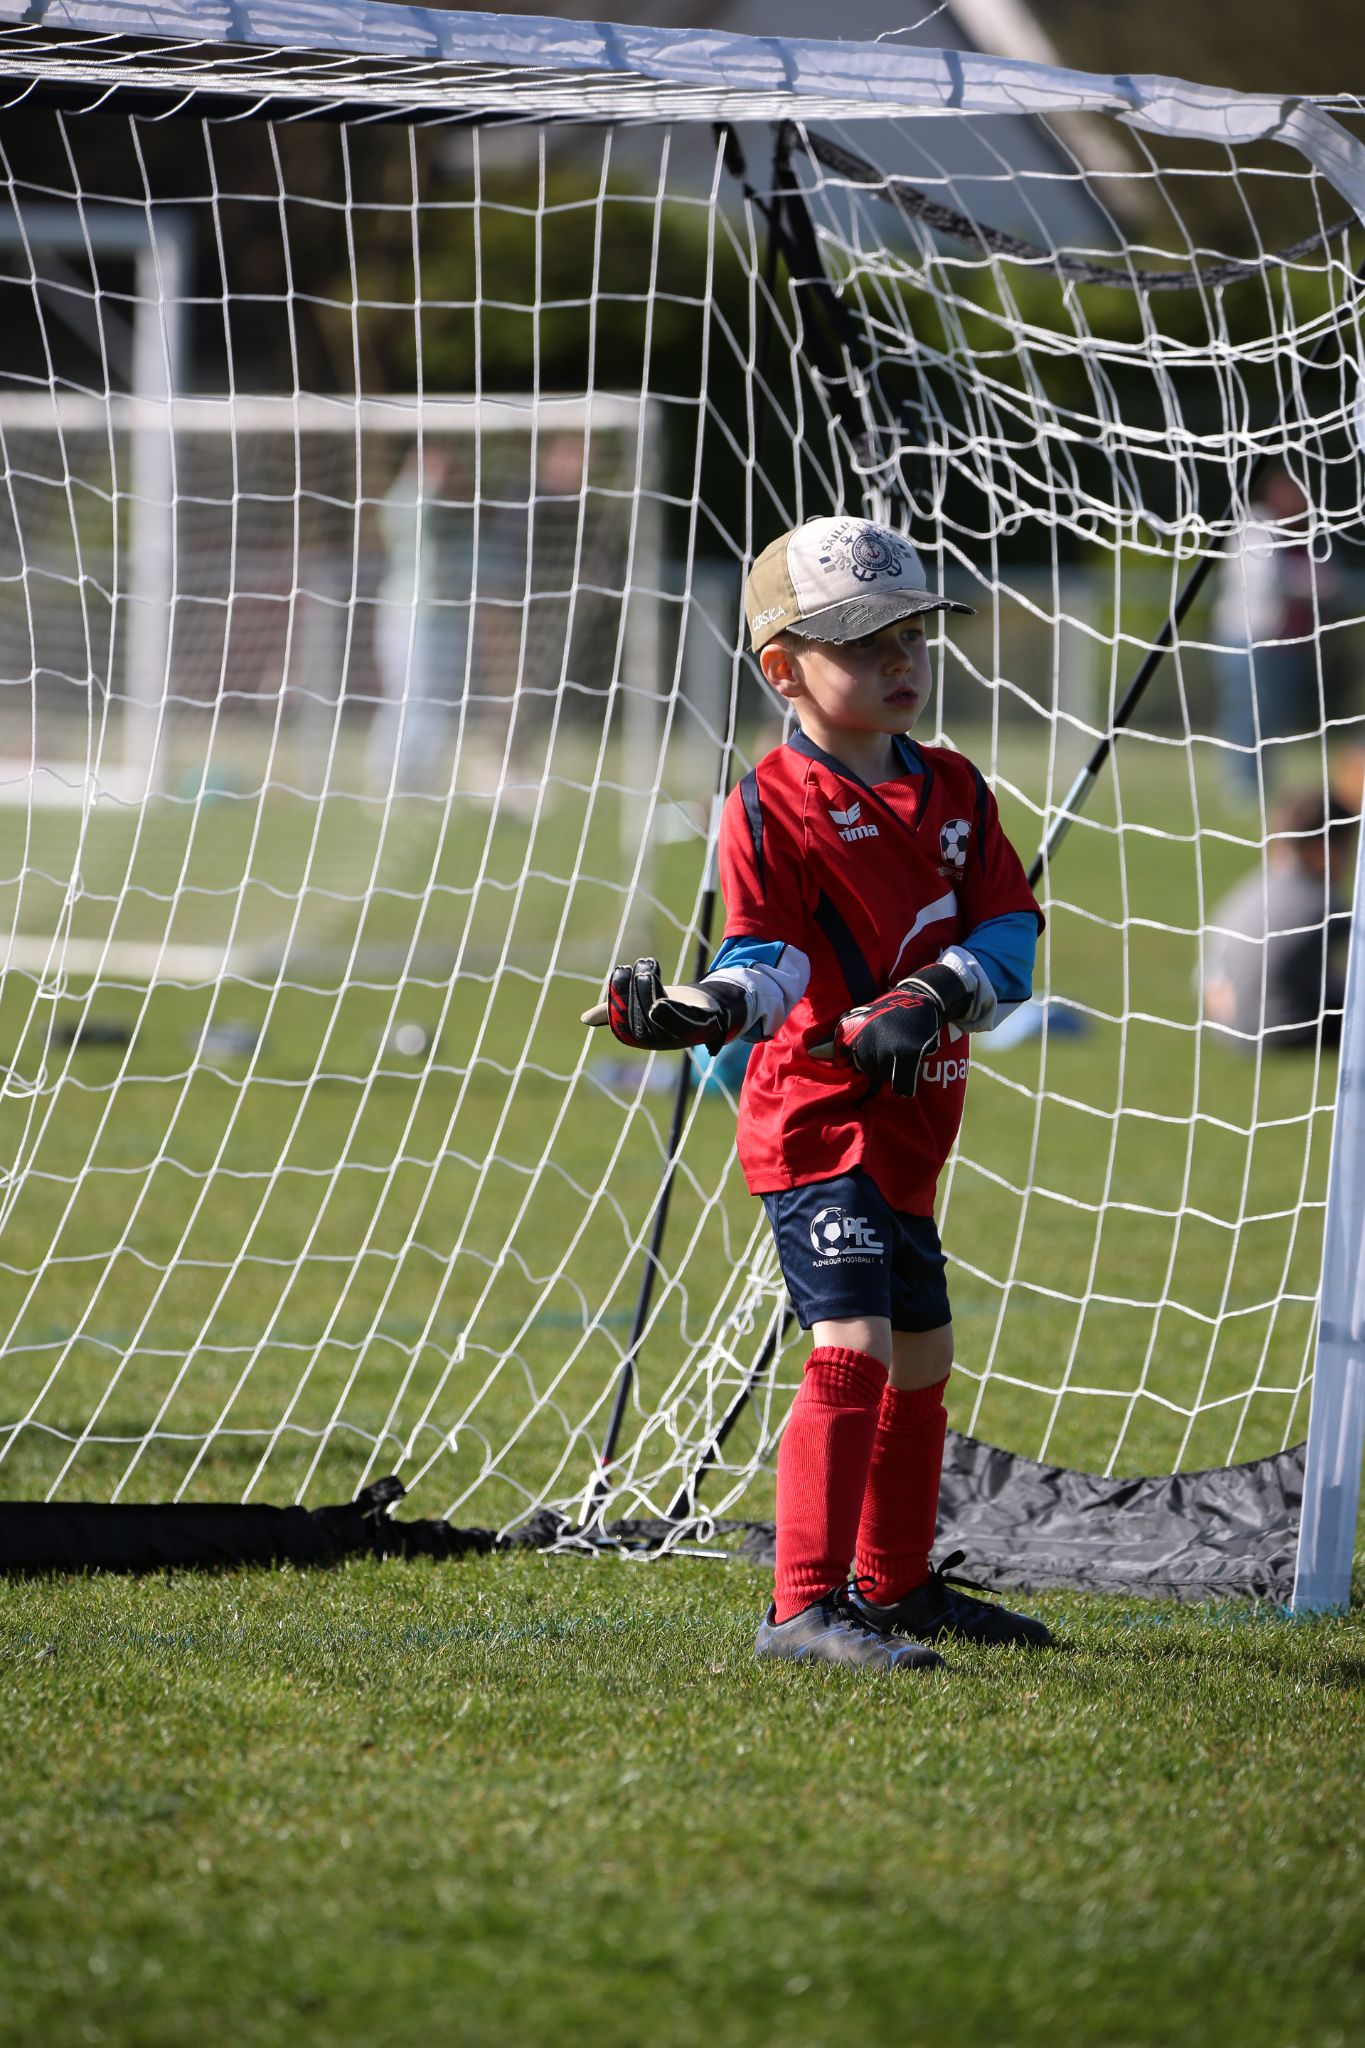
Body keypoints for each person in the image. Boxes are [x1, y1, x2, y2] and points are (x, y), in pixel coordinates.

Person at [586, 515, 1053, 1672]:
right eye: (861, 642)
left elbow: (1011, 932)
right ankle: (801, 1608)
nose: (899, 660)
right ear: (784, 670)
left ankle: (896, 1586)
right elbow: (767, 957)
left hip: (915, 1123)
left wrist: (932, 995)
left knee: (926, 1352)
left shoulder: (957, 789)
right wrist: (697, 1010)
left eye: (912, 635)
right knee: (853, 1339)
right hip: (816, 1123)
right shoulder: (767, 804)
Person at [1202, 789, 1354, 1051]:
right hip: (1284, 1026)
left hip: (1229, 1027)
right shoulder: (1318, 900)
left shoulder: (1253, 887)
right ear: (1322, 850)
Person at [366, 443, 473, 796]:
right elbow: (414, 517)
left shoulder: (452, 512)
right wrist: (427, 483)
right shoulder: (403, 502)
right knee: (410, 693)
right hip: (408, 614)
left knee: (441, 697)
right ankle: (390, 774)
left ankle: (423, 777)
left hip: (446, 613)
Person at [1212, 468, 1324, 800]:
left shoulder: (1301, 533)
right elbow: (1268, 578)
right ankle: (1243, 784)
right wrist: (1311, 582)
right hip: (1246, 637)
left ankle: (1262, 780)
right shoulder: (1257, 527)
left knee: (1271, 714)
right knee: (1246, 710)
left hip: (1279, 643)